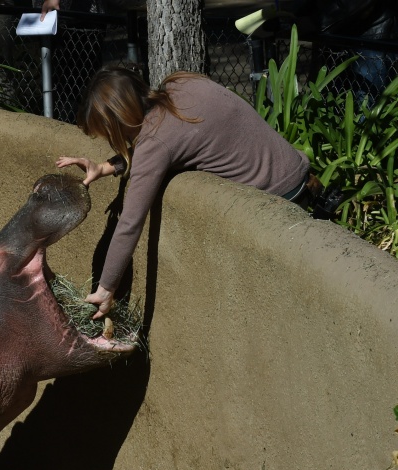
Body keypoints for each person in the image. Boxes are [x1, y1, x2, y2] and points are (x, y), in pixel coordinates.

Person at [56, 66, 314, 318]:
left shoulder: (155, 143)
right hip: (296, 169)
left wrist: (105, 288)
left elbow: (130, 223)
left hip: (280, 197)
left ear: (117, 123)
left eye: (108, 134)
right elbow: (172, 139)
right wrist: (105, 167)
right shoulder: (181, 82)